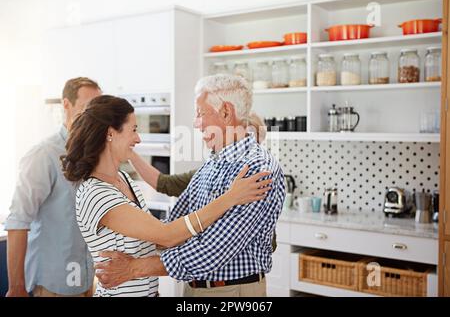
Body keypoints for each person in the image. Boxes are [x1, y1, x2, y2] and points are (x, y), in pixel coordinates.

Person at [95, 74, 286, 297]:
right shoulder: (215, 161)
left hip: (231, 292)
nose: (196, 123)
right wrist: (135, 246)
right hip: (197, 287)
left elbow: (212, 251)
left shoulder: (256, 170)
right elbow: (178, 221)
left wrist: (134, 268)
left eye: (200, 113)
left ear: (225, 112)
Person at [5, 77, 102, 297]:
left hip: (87, 281)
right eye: (87, 108)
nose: (94, 117)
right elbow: (18, 221)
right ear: (66, 104)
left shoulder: (95, 155)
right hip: (52, 286)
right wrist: (16, 288)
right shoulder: (44, 155)